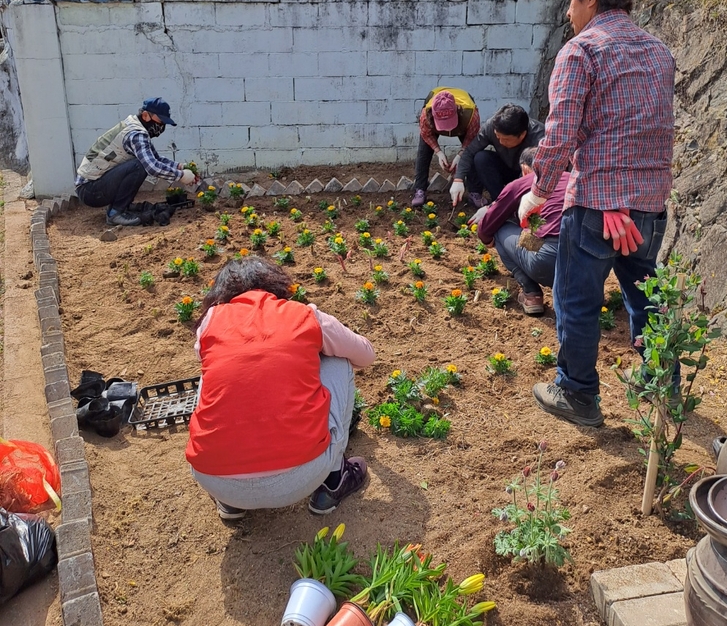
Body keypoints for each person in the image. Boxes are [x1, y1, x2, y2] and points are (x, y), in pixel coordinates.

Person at [518, 0, 675, 429]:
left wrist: (537, 190)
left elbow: (562, 132)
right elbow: (654, 128)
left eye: (571, 0)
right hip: (649, 207)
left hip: (592, 209)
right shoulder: (659, 51)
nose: (568, 12)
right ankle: (661, 390)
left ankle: (578, 394)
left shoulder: (581, 51)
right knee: (645, 297)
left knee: (577, 301)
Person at [185, 257, 375, 521]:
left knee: (212, 374)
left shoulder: (211, 322)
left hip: (213, 479)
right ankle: (334, 478)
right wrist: (310, 355)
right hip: (301, 477)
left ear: (220, 293)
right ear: (277, 285)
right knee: (340, 361)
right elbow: (366, 356)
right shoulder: (304, 315)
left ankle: (230, 503)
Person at [473, 147, 568, 315]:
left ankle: (531, 294)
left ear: (525, 169)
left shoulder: (524, 182)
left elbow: (486, 229)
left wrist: (488, 237)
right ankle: (585, 297)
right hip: (592, 266)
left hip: (549, 262)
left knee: (500, 226)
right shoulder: (575, 179)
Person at [75, 97, 198, 227]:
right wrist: (181, 176)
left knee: (140, 162)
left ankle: (123, 207)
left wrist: (180, 166)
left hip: (92, 187)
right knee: (140, 165)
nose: (161, 127)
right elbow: (152, 167)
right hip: (90, 191)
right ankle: (115, 214)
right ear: (145, 115)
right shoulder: (136, 134)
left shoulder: (135, 127)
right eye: (160, 121)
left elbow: (155, 158)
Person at [451, 104, 545, 207]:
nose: (500, 142)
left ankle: (509, 204)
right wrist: (458, 179)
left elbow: (537, 176)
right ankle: (498, 201)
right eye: (497, 136)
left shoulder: (540, 138)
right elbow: (470, 151)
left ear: (522, 134)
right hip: (505, 168)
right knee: (481, 157)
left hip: (527, 176)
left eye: (506, 139)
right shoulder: (491, 126)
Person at [412, 87, 480, 207]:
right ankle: (420, 190)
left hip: (464, 120)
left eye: (449, 122)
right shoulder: (426, 116)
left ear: (457, 111)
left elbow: (471, 139)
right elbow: (426, 134)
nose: (448, 129)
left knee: (473, 153)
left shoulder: (471, 115)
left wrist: (460, 155)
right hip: (432, 120)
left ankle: (475, 192)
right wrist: (438, 152)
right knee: (423, 153)